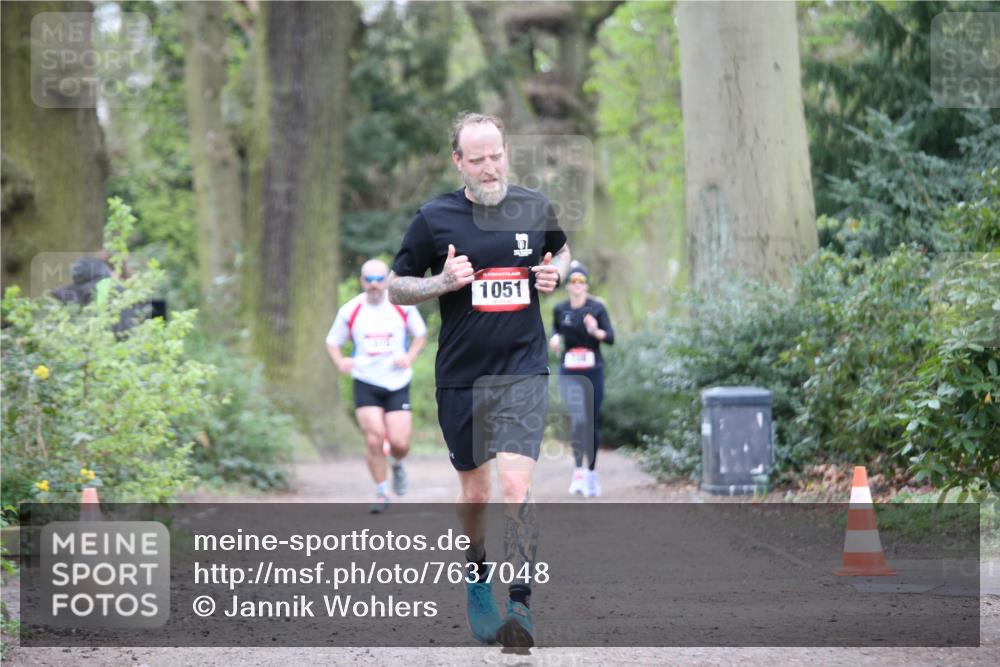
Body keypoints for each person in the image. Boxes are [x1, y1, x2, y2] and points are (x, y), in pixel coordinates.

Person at [387, 112, 570, 649]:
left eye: (496, 155)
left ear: (505, 152)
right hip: (462, 376)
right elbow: (396, 286)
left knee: (515, 485)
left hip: (522, 368)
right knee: (475, 491)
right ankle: (476, 570)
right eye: (477, 159)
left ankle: (521, 605)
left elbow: (561, 250)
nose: (490, 167)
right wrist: (441, 282)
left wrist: (556, 272)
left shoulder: (535, 206)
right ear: (458, 162)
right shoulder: (434, 218)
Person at [326, 259, 427, 514]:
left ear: (387, 281)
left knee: (400, 443)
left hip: (397, 381)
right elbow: (332, 341)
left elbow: (420, 334)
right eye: (368, 279)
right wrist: (340, 361)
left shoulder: (402, 306)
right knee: (373, 439)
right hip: (366, 380)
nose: (374, 284)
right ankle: (382, 491)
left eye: (379, 279)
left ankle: (397, 464)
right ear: (361, 281)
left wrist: (410, 357)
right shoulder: (351, 310)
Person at [549, 262, 614, 497]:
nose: (577, 284)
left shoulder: (597, 308)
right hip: (570, 372)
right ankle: (578, 472)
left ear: (586, 285)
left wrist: (595, 330)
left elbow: (610, 338)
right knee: (578, 419)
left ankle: (591, 474)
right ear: (567, 285)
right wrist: (554, 338)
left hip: (593, 370)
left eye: (581, 281)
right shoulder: (560, 309)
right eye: (573, 281)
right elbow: (555, 330)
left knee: (591, 422)